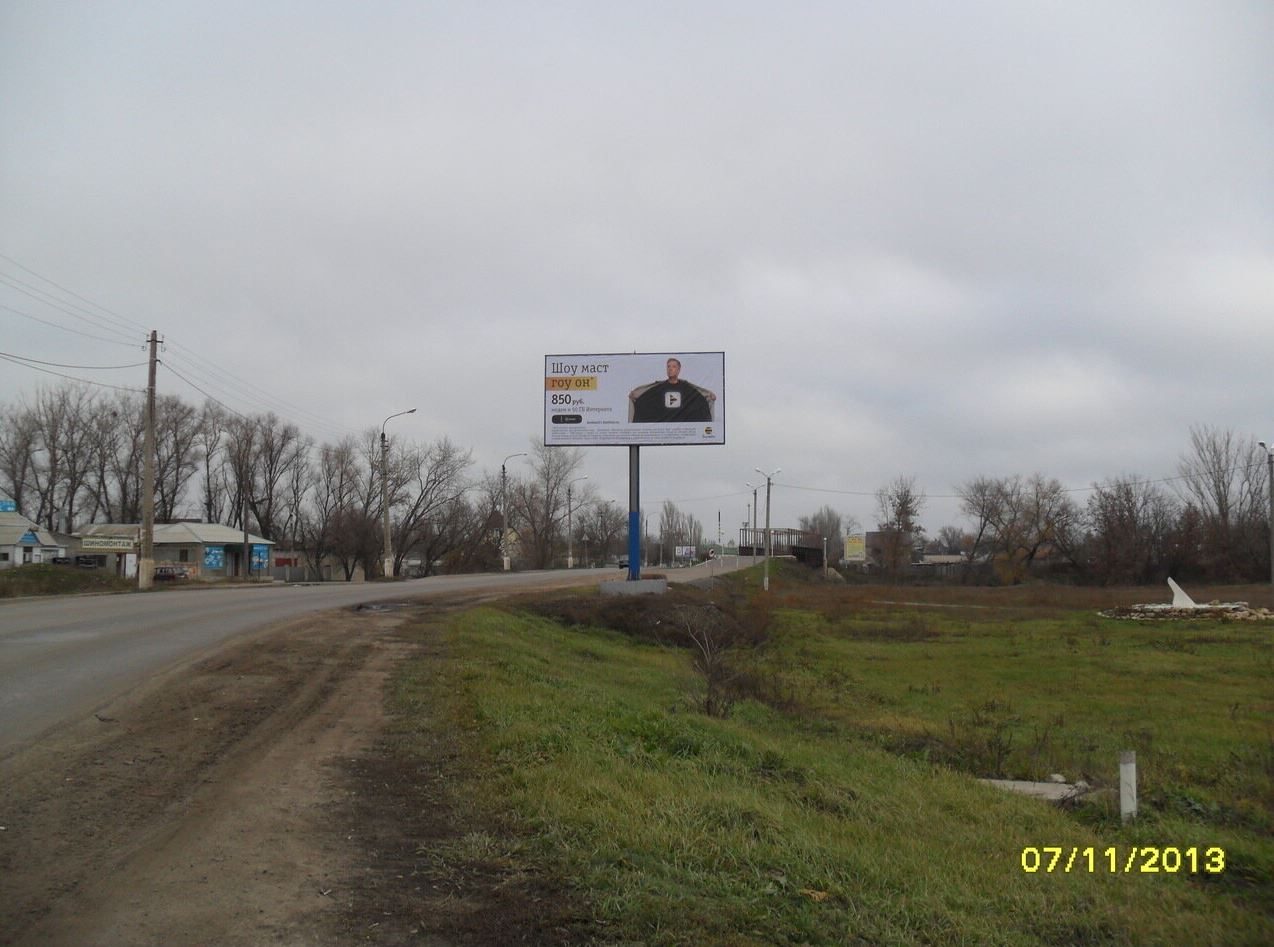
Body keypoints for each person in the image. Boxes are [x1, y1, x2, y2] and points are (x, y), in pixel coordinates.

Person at [628, 357, 716, 423]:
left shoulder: (686, 388)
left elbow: (699, 399)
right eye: (668, 366)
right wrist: (636, 395)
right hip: (663, 431)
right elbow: (646, 399)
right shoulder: (659, 387)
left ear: (678, 370)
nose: (670, 369)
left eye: (673, 367)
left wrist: (708, 396)